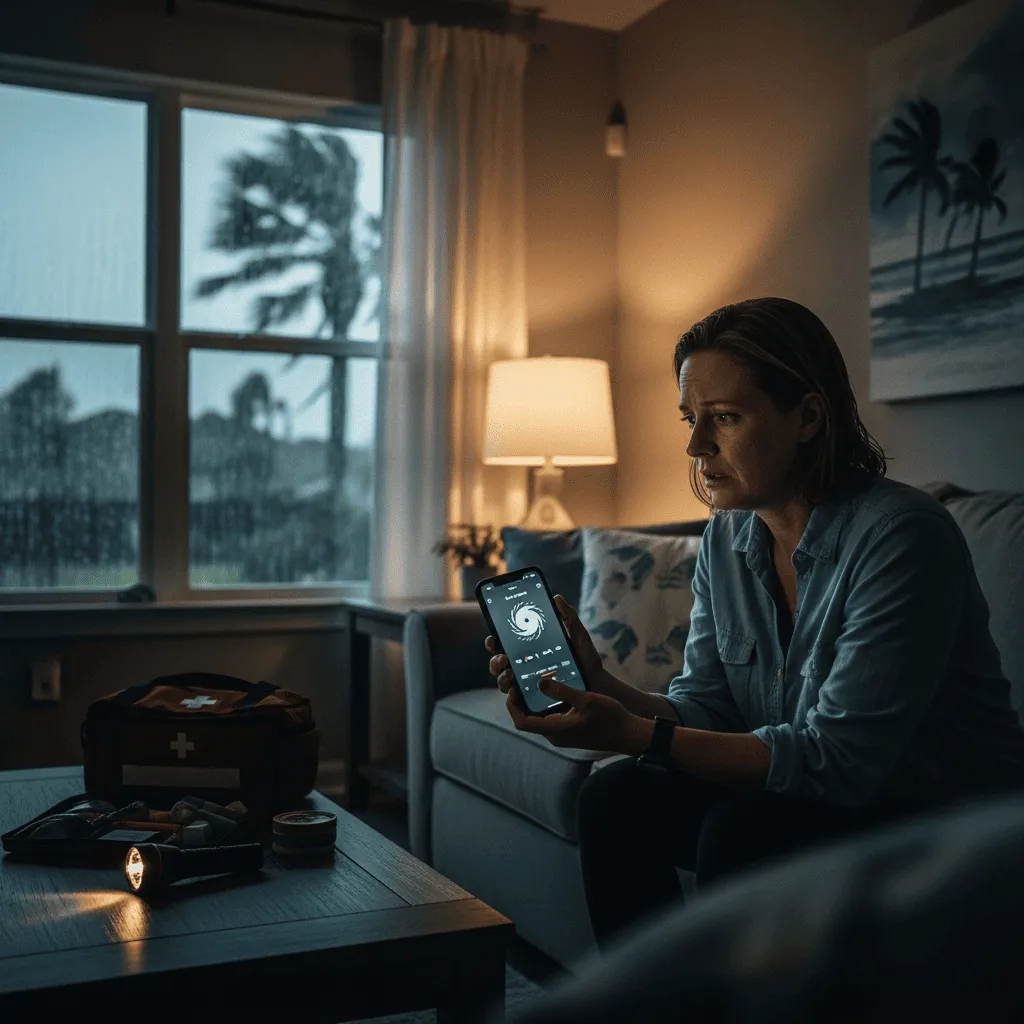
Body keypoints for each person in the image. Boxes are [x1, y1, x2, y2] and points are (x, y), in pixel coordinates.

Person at [484, 296, 1024, 952]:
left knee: (743, 831)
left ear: (808, 417)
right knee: (616, 798)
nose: (694, 445)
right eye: (691, 418)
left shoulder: (902, 537)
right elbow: (708, 706)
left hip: (943, 815)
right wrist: (605, 690)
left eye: (725, 418)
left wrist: (633, 732)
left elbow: (840, 760)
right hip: (828, 792)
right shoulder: (728, 538)